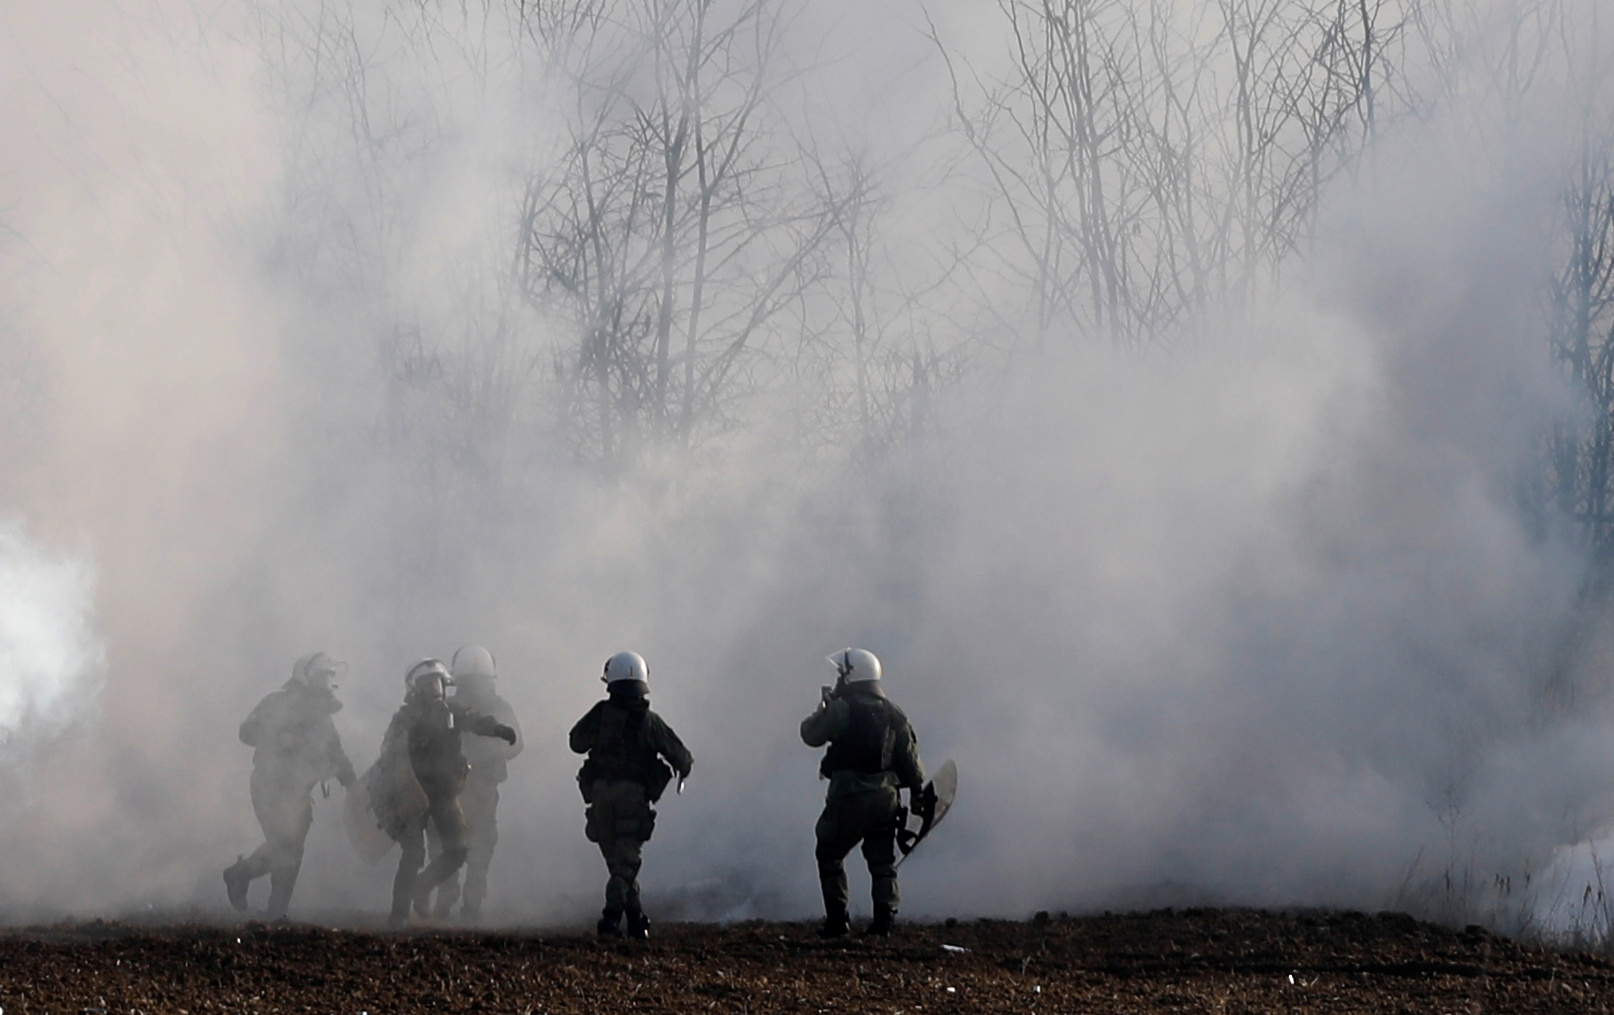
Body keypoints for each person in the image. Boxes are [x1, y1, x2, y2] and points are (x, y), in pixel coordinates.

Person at [373, 658, 516, 927]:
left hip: (444, 794)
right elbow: (388, 752)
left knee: (458, 850)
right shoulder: (405, 717)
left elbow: (475, 721)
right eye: (426, 682)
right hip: (412, 795)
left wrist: (497, 729)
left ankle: (422, 887)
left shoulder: (452, 710)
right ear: (415, 687)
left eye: (436, 681)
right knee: (413, 853)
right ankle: (398, 915)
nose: (432, 687)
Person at [800, 648, 925, 938]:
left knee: (829, 854)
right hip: (886, 797)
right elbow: (910, 759)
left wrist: (823, 706)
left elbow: (810, 735)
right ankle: (884, 923)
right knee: (882, 861)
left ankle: (837, 922)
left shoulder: (841, 709)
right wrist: (917, 794)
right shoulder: (895, 713)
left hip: (850, 795)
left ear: (850, 675)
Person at [224, 652, 357, 920]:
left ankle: (244, 878)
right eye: (321, 676)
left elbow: (337, 756)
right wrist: (276, 735)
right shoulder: (277, 702)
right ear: (304, 676)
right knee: (285, 848)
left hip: (298, 794)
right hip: (269, 786)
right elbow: (246, 731)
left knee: (290, 850)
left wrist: (354, 786)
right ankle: (275, 912)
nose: (326, 682)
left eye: (328, 677)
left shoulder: (322, 718)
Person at [568, 651, 692, 940]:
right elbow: (683, 758)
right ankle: (610, 919)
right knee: (624, 865)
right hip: (632, 799)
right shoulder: (650, 721)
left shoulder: (600, 713)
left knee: (619, 864)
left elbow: (576, 741)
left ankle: (636, 920)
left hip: (600, 796)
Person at [422, 645, 523, 922]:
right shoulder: (498, 708)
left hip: (450, 787)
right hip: (480, 789)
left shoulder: (445, 707)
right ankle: (471, 903)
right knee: (481, 842)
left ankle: (448, 896)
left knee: (445, 842)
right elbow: (516, 744)